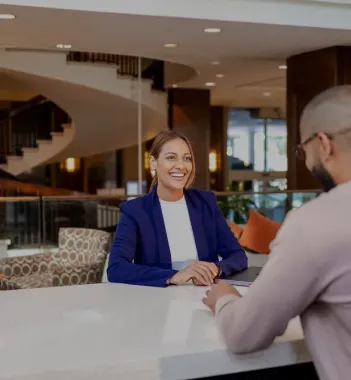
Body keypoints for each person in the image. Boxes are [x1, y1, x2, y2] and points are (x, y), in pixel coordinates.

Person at [203, 85, 351, 380]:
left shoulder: (314, 223)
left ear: (323, 144)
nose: (308, 163)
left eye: (303, 151)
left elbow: (244, 334)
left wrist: (225, 298)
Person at [107, 130, 247, 287]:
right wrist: (173, 276)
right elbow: (116, 268)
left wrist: (215, 268)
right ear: (153, 163)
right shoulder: (135, 210)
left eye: (186, 158)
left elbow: (237, 255)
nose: (181, 166)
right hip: (158, 303)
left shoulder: (205, 203)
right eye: (171, 157)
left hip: (204, 297)